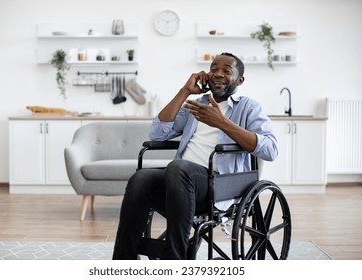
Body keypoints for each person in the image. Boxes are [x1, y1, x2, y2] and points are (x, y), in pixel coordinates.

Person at [112, 52, 278, 260]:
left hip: (219, 185)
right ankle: (122, 261)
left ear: (240, 79)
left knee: (178, 167)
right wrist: (185, 91)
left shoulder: (249, 107)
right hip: (179, 183)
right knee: (141, 178)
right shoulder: (197, 105)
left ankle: (176, 260)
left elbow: (270, 149)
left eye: (226, 71)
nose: (218, 73)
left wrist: (222, 122)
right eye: (214, 69)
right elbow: (157, 132)